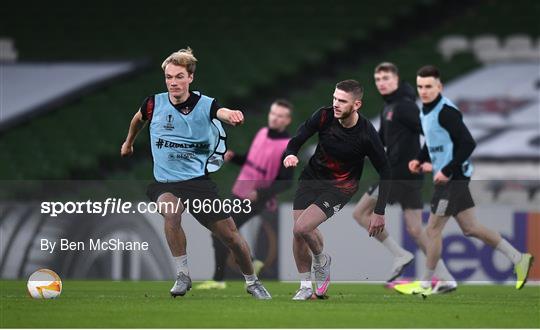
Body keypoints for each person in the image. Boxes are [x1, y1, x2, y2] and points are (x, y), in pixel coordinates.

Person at [120, 47, 271, 299]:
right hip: (165, 182)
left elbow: (220, 113)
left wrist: (231, 115)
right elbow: (138, 119)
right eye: (169, 77)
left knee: (230, 237)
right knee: (171, 213)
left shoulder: (205, 104)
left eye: (179, 76)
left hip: (198, 183)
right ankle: (182, 275)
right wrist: (129, 142)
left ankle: (252, 282)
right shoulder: (153, 103)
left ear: (190, 78)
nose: (173, 82)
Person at [394, 65, 534, 296]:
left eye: (429, 86)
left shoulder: (446, 111)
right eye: (420, 86)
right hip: (452, 178)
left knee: (431, 230)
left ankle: (427, 284)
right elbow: (434, 142)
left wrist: (447, 169)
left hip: (453, 179)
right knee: (471, 228)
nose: (424, 91)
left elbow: (468, 143)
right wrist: (419, 159)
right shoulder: (425, 111)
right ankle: (519, 258)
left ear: (439, 86)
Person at [352, 62, 457, 293]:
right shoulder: (389, 107)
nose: (382, 83)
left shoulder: (405, 106)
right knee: (416, 230)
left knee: (360, 213)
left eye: (386, 78)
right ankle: (446, 277)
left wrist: (426, 159)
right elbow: (380, 142)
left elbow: (430, 133)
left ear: (397, 80)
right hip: (407, 176)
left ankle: (400, 254)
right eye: (378, 79)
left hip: (397, 174)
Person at [283, 79, 391, 300]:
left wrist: (379, 211)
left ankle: (321, 260)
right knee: (300, 232)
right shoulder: (324, 116)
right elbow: (297, 138)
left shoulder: (367, 134)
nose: (336, 104)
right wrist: (290, 154)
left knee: (301, 228)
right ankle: (305, 287)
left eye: (342, 101)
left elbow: (387, 172)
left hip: (341, 187)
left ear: (357, 105)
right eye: (334, 98)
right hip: (311, 178)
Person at [196, 99, 294, 290]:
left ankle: (218, 280)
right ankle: (251, 261)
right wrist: (234, 158)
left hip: (256, 199)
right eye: (273, 113)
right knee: (222, 231)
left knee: (221, 231)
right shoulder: (262, 133)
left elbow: (287, 181)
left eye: (280, 115)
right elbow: (251, 161)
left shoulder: (287, 146)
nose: (275, 118)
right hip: (239, 191)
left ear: (287, 120)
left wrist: (260, 193)